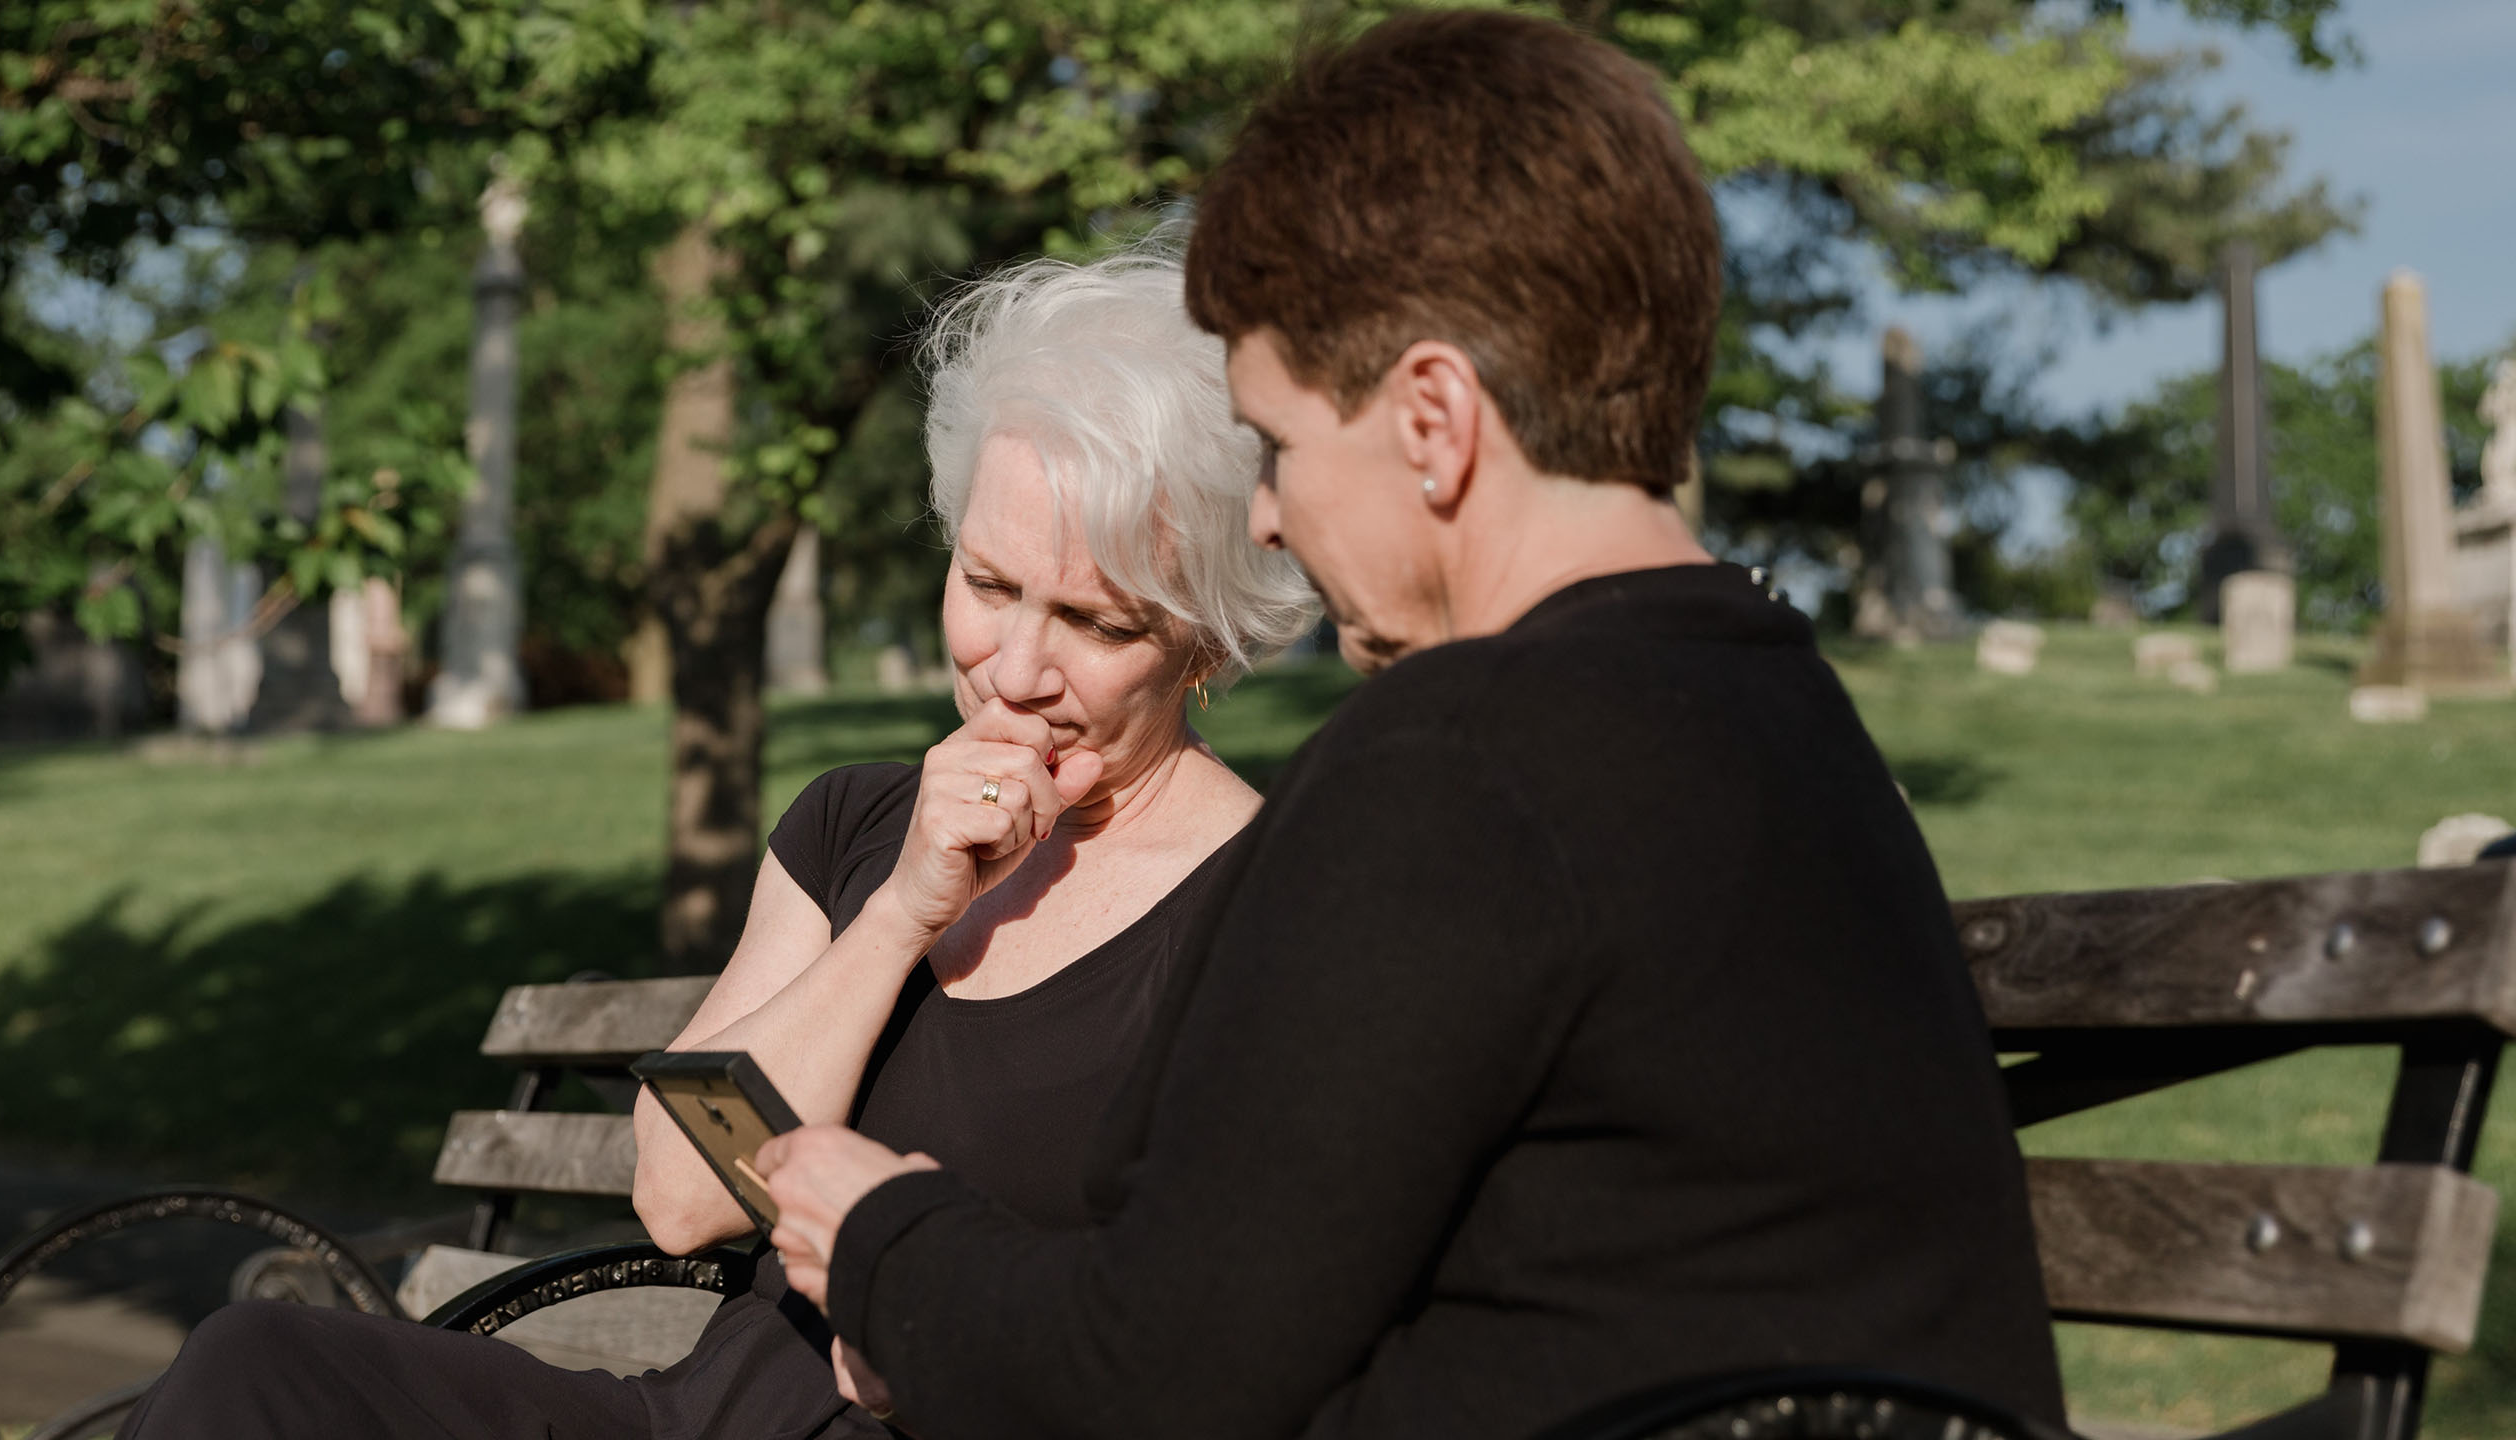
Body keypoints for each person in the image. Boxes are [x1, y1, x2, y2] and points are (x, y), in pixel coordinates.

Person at [751, 13, 2068, 1440]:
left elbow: (1157, 1380)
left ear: (1432, 418)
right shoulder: (1783, 720)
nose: (1267, 514)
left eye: (1282, 444)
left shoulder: (1466, 765)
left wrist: (886, 1242)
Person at [108, 248, 1317, 1440]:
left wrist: (960, 1336)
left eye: (1094, 621)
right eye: (988, 583)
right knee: (259, 1365)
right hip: (686, 1421)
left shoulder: (1260, 914)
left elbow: (1231, 1348)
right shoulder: (857, 827)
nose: (1011, 671)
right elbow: (680, 1197)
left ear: (1205, 640)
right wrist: (899, 913)